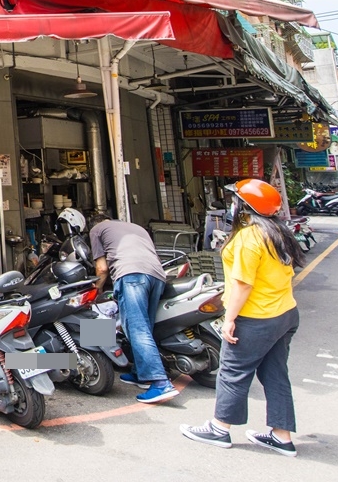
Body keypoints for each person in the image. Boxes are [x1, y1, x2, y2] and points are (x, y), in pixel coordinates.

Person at [181, 179, 304, 456]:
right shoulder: (278, 232)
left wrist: (230, 319)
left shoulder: (250, 237)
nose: (232, 205)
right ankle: (281, 436)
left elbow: (243, 284)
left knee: (232, 372)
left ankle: (219, 428)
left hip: (256, 317)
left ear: (245, 206)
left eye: (236, 200)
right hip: (284, 314)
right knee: (275, 374)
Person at [89, 211, 179, 404]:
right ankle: (141, 373)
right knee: (144, 326)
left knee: (137, 328)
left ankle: (160, 383)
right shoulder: (135, 227)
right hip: (157, 275)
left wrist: (95, 291)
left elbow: (102, 268)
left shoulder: (97, 229)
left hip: (131, 275)